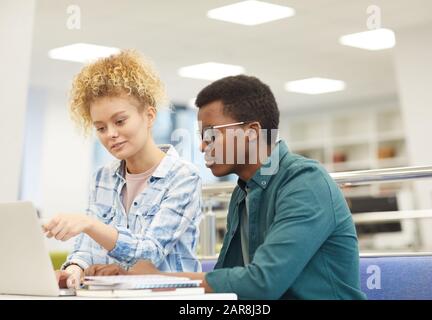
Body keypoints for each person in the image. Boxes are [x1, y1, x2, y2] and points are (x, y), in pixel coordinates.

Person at [84, 75, 366, 300]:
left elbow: (261, 284)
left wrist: (155, 279)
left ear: (252, 133)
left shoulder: (305, 182)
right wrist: (128, 277)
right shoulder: (245, 191)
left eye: (211, 134)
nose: (202, 146)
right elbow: (227, 279)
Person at [42, 50, 203, 289]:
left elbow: (149, 253)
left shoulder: (183, 177)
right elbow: (86, 248)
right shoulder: (102, 178)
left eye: (119, 121)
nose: (111, 135)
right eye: (101, 128)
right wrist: (74, 268)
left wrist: (90, 224)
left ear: (149, 116)